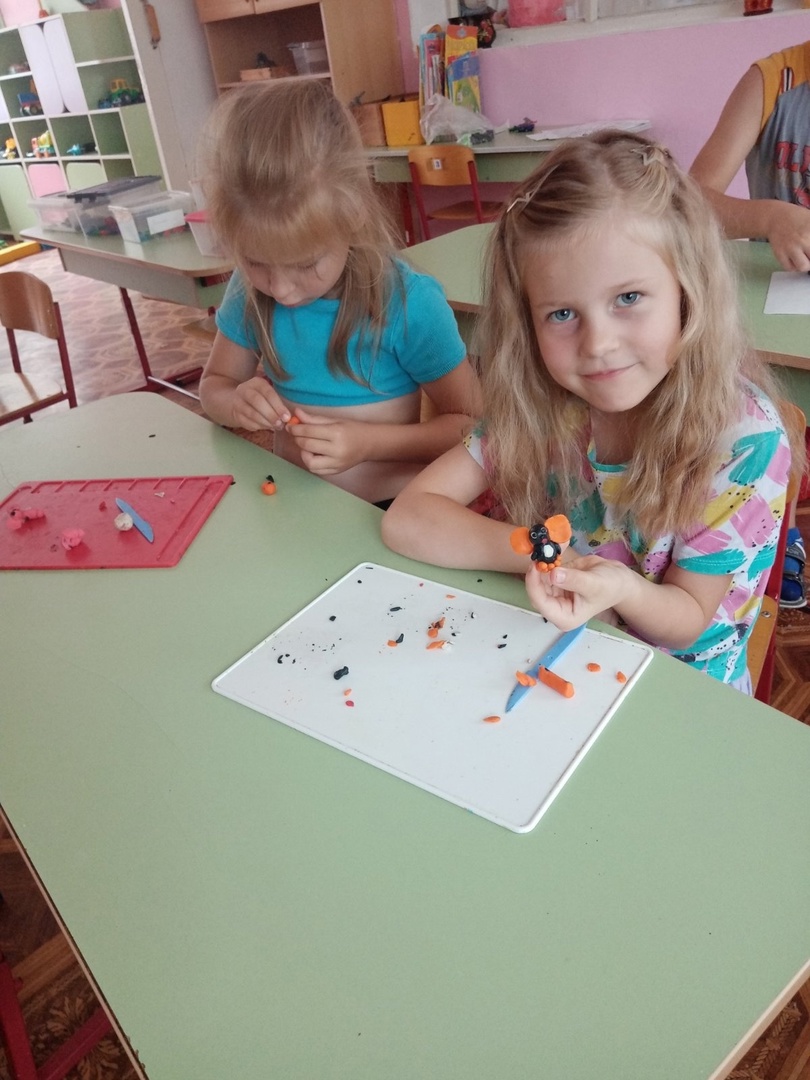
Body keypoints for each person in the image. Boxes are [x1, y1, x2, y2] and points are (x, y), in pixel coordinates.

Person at [382, 130, 800, 692]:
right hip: (561, 652)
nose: (598, 344)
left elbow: (687, 619)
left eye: (628, 298)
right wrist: (546, 557)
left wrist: (619, 588)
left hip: (684, 689)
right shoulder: (548, 406)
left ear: (688, 291)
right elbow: (408, 519)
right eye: (561, 314)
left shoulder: (744, 441)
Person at [197, 79, 481, 507]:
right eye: (256, 262)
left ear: (353, 214)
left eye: (306, 264)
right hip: (291, 504)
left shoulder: (408, 303)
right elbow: (214, 386)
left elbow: (473, 427)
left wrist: (368, 443)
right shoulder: (248, 291)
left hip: (387, 511)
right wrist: (235, 402)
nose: (282, 290)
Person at [690, 42, 810, 607]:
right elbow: (691, 199)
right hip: (780, 309)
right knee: (767, 418)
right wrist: (766, 217)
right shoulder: (773, 81)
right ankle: (778, 526)